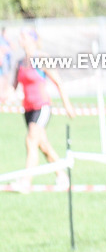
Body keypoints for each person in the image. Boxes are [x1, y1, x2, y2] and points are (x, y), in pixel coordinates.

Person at [11, 30, 75, 193]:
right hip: (28, 110)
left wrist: (67, 104)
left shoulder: (41, 58)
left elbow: (58, 82)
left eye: (23, 37)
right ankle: (61, 175)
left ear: (32, 40)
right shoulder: (20, 63)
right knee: (43, 145)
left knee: (31, 140)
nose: (20, 39)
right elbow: (12, 87)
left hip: (42, 107)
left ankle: (26, 181)